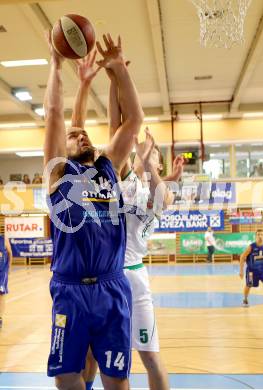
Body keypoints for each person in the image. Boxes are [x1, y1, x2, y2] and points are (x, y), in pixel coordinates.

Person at [72, 56, 184, 390]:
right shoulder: (124, 182)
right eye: (140, 154)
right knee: (92, 353)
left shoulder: (159, 191)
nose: (141, 154)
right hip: (105, 277)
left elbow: (164, 196)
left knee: (149, 357)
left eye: (151, 155)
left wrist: (154, 166)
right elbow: (114, 126)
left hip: (133, 279)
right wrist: (113, 80)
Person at [43, 31, 143, 390]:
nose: (81, 135)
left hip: (112, 288)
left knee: (117, 380)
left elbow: (133, 121)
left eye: (85, 133)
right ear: (61, 147)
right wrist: (55, 64)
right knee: (68, 377)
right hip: (69, 290)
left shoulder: (107, 168)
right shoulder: (58, 173)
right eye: (74, 135)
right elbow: (55, 113)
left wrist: (118, 68)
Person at [239, 229, 263, 308]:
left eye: (261, 234)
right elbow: (242, 257)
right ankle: (245, 299)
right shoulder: (251, 247)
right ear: (255, 236)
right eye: (258, 234)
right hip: (252, 271)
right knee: (249, 285)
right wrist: (241, 271)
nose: (260, 236)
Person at [0, 235, 12, 328]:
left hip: (2, 271)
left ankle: (0, 317)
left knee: (1, 294)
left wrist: (9, 268)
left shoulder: (4, 239)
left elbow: (10, 253)